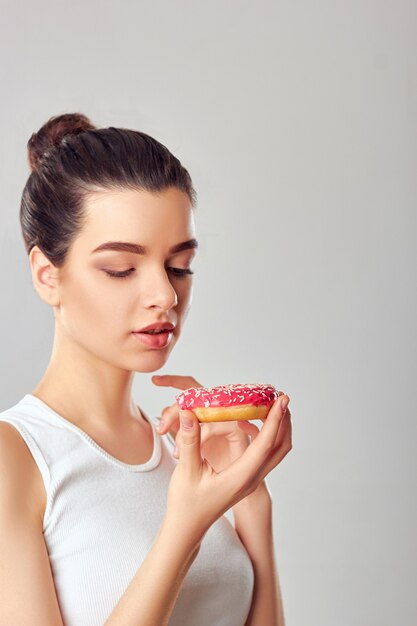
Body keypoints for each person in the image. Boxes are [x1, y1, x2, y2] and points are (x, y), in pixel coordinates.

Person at [0, 112, 293, 626]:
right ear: (48, 276)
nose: (165, 295)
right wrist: (184, 530)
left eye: (178, 266)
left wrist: (250, 503)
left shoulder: (184, 454)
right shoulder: (17, 460)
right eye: (121, 269)